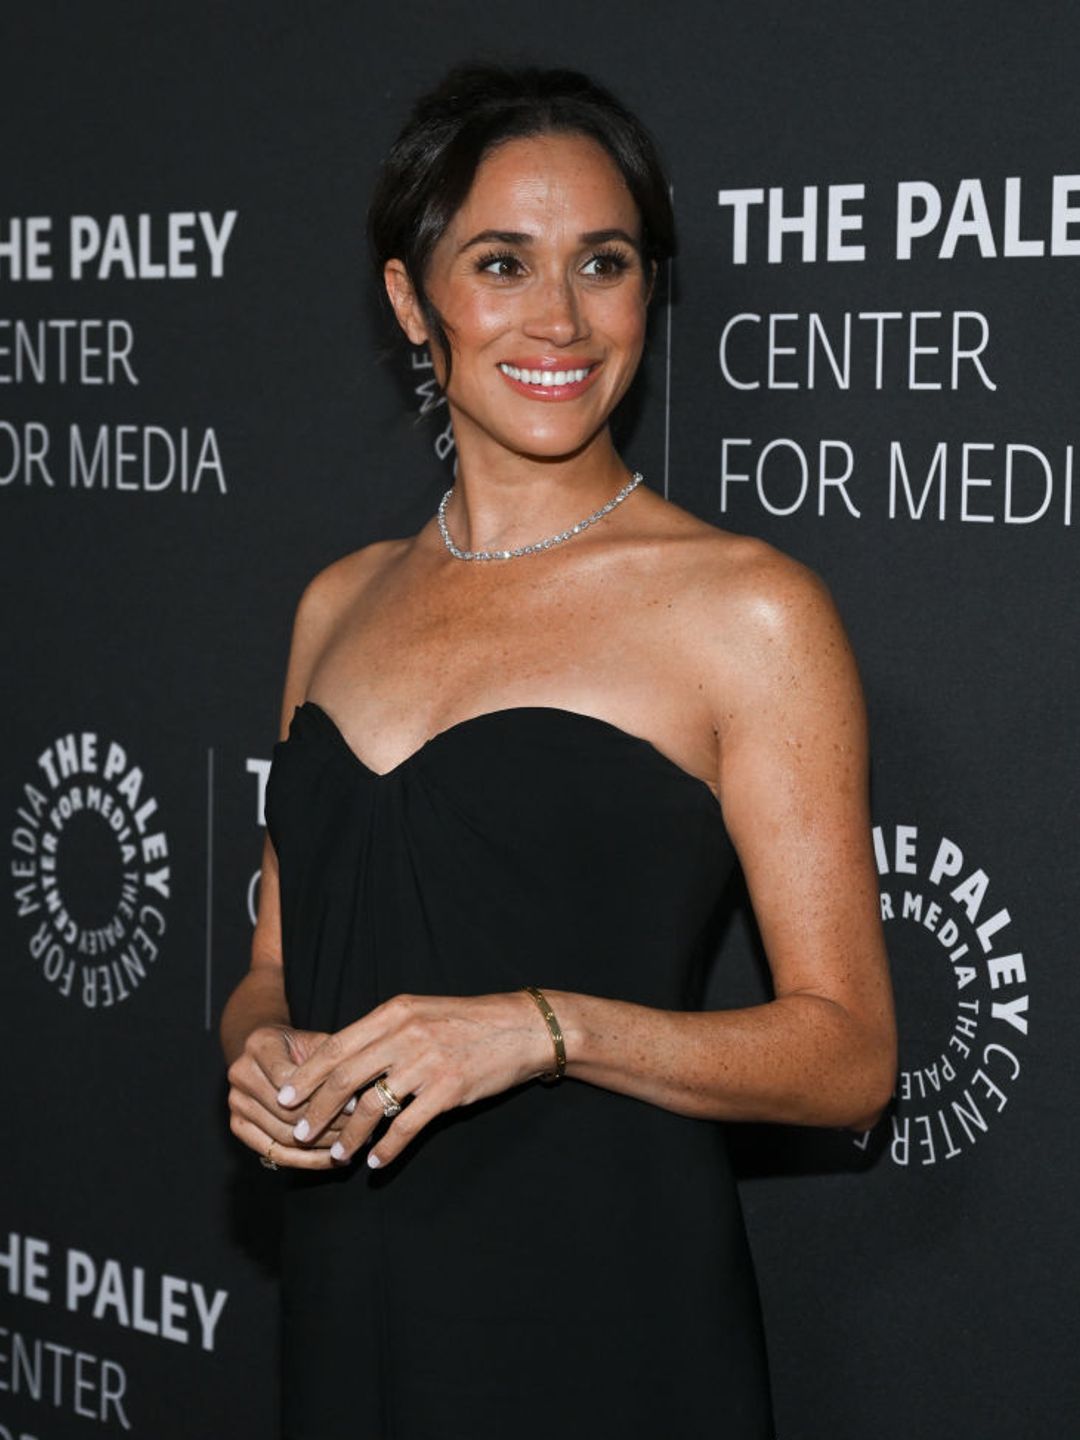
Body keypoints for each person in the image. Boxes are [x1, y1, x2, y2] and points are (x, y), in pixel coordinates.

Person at [220, 61, 897, 1440]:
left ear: (649, 289)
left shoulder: (749, 610)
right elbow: (276, 967)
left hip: (608, 1307)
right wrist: (260, 1052)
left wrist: (540, 1031)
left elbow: (847, 1057)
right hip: (350, 1296)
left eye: (604, 262)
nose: (562, 319)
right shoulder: (336, 604)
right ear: (414, 301)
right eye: (502, 263)